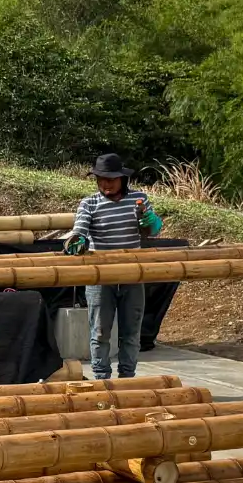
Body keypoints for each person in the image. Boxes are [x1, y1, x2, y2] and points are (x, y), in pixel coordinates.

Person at [67, 153, 163, 379]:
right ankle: (101, 378)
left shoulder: (138, 199)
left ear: (123, 179)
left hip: (132, 274)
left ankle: (127, 377)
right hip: (101, 276)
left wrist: (150, 222)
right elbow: (80, 229)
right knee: (100, 332)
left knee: (131, 332)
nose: (105, 184)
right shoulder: (89, 203)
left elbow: (152, 230)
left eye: (110, 179)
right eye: (100, 179)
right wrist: (77, 241)